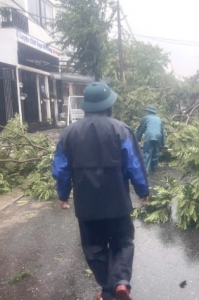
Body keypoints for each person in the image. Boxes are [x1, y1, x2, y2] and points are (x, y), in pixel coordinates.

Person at [52, 82, 149, 300]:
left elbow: (61, 169)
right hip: (117, 202)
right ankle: (121, 283)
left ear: (86, 106)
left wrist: (63, 194)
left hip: (87, 206)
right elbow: (134, 163)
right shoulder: (121, 129)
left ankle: (108, 290)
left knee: (94, 249)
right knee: (123, 242)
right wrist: (143, 190)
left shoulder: (69, 133)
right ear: (108, 105)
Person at [136, 105, 165, 174]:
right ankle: (154, 169)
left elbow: (141, 129)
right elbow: (162, 132)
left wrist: (137, 139)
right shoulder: (159, 119)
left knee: (147, 153)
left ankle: (145, 171)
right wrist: (163, 143)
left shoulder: (146, 118)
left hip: (149, 137)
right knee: (156, 153)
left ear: (148, 111)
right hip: (158, 137)